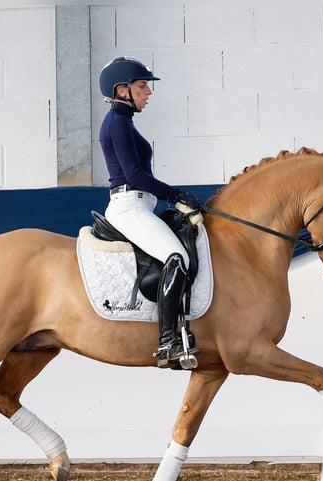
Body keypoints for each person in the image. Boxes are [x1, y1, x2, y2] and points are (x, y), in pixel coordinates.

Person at [98, 56, 202, 370]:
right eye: (142, 86)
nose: (148, 92)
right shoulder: (117, 123)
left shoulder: (124, 121)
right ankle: (167, 341)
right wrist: (176, 195)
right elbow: (135, 175)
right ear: (122, 89)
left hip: (140, 204)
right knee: (177, 257)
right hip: (129, 206)